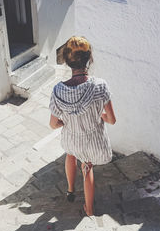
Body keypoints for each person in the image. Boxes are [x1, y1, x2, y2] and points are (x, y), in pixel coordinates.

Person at [49, 36, 116, 216]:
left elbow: (53, 124)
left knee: (70, 153)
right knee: (87, 167)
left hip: (72, 139)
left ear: (67, 62)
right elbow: (111, 119)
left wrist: (68, 121)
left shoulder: (58, 90)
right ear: (89, 59)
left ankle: (70, 190)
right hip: (92, 141)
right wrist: (97, 115)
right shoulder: (100, 86)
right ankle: (89, 210)